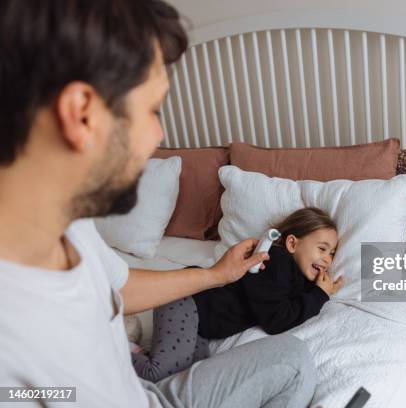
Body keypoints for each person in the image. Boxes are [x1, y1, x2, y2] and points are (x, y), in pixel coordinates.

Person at [0, 1, 316, 407]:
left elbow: (116, 285)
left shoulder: (67, 222)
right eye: (151, 110)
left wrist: (216, 275)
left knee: (293, 360)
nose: (158, 135)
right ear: (82, 115)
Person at [132, 208, 344, 382]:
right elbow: (276, 320)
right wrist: (319, 294)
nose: (327, 259)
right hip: (187, 300)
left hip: (200, 326)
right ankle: (112, 349)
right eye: (322, 249)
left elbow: (293, 304)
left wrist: (320, 289)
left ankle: (141, 352)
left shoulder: (297, 278)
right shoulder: (274, 261)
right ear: (291, 243)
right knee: (158, 374)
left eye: (332, 253)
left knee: (182, 381)